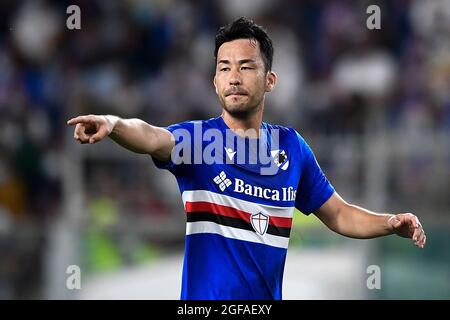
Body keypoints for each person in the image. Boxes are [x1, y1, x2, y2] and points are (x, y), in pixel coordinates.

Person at [67, 17, 426, 300]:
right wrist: (113, 124)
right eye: (224, 68)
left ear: (270, 80)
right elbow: (150, 135)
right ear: (214, 82)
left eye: (245, 67)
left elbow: (339, 213)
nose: (234, 78)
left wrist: (390, 223)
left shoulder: (292, 148)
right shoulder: (198, 141)